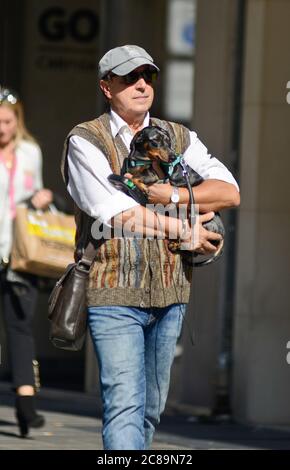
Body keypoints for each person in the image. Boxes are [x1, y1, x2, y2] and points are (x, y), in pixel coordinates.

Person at [62, 45, 240, 450]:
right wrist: (184, 232)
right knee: (125, 404)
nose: (141, 85)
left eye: (148, 76)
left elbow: (229, 193)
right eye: (129, 78)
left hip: (172, 292)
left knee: (150, 409)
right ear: (107, 87)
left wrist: (172, 195)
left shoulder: (179, 136)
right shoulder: (86, 140)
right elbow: (117, 212)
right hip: (113, 291)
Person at [0, 86, 53, 437]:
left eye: (7, 121)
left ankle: (25, 402)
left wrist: (43, 196)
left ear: (18, 121)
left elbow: (37, 195)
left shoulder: (31, 152)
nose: (2, 127)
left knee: (20, 327)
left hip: (19, 253)